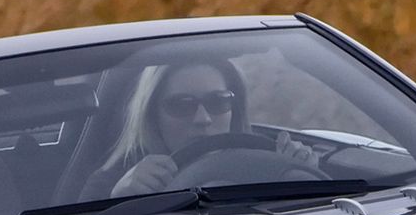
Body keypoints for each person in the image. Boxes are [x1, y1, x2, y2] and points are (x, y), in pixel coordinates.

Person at [84, 56, 314, 197]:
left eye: (218, 102)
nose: (203, 118)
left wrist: (302, 174)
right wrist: (119, 201)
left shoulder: (271, 164)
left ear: (234, 109)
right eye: (182, 105)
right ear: (152, 115)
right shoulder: (114, 181)